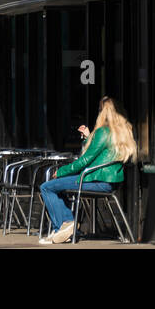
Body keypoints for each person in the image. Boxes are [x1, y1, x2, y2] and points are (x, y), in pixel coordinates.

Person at [38, 95, 137, 245]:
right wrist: (89, 137)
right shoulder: (124, 132)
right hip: (110, 183)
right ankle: (68, 227)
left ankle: (64, 225)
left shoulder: (103, 132)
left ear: (103, 112)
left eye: (99, 110)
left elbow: (84, 161)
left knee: (47, 187)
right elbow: (103, 154)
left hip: (96, 180)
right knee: (60, 186)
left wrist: (61, 171)